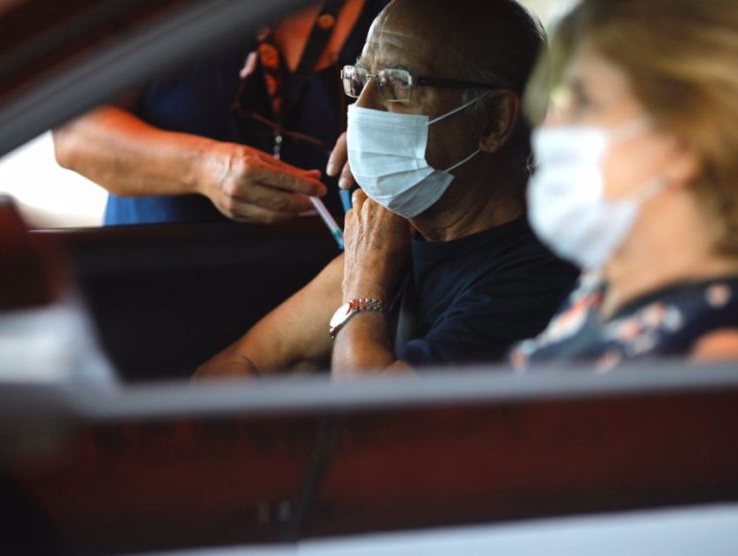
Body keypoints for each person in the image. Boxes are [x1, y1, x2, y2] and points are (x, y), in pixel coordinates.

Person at [195, 0, 578, 379]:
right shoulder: (398, 242)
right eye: (360, 81)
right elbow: (225, 370)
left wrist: (363, 288)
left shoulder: (534, 281)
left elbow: (373, 427)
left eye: (396, 85)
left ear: (494, 121)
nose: (362, 109)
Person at [510, 0, 738, 372]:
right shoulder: (601, 289)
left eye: (584, 103)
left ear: (681, 142)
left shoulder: (716, 354)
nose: (552, 130)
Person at [53, 1, 387, 225]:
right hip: (154, 283)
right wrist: (203, 167)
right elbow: (75, 134)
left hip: (330, 303)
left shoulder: (417, 14)